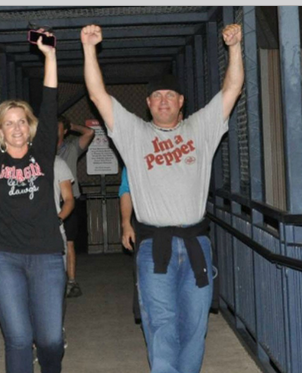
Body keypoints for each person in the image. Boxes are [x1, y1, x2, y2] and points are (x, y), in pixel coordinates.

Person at [81, 23, 244, 373]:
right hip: (155, 245)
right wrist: (89, 48)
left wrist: (234, 48)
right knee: (162, 326)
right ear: (148, 103)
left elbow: (231, 90)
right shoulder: (135, 134)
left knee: (195, 327)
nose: (164, 100)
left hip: (197, 242)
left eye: (171, 95)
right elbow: (97, 94)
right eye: (157, 96)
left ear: (181, 101)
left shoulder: (200, 128)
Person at [0, 30, 66, 373]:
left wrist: (49, 56)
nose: (17, 128)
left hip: (47, 254)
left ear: (30, 126)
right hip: (3, 255)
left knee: (50, 339)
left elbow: (50, 104)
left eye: (21, 121)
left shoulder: (43, 156)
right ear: (0, 132)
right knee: (20, 337)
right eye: (9, 124)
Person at [57, 115, 95, 297]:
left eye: (58, 127)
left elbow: (90, 132)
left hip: (69, 200)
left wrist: (71, 125)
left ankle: (71, 282)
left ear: (64, 130)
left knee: (69, 241)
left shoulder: (71, 148)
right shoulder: (40, 150)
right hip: (49, 201)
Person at [53, 155, 75, 265]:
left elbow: (69, 199)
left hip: (53, 231)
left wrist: (59, 218)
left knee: (56, 278)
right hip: (22, 233)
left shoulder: (57, 163)